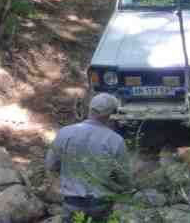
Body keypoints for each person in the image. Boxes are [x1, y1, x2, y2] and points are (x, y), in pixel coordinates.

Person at [45, 93, 130, 222]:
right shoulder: (115, 140)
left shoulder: (65, 132)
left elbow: (50, 164)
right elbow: (124, 178)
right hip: (101, 205)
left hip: (72, 203)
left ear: (90, 109)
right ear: (110, 115)